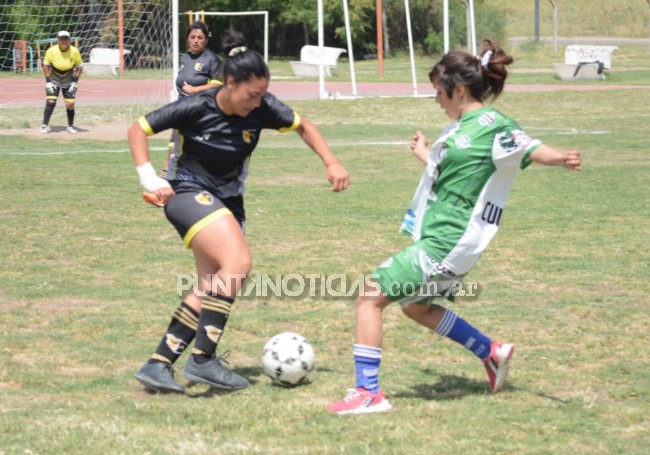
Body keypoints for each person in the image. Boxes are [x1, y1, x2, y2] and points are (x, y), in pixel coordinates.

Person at [327, 39, 581, 414]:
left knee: (369, 298)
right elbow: (456, 177)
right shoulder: (462, 128)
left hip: (448, 240)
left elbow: (528, 147)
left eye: (438, 92)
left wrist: (559, 157)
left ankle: (368, 393)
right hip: (443, 238)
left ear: (458, 90)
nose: (436, 100)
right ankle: (490, 353)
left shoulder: (493, 124)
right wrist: (426, 156)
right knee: (416, 307)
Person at [129, 30, 350, 394]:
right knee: (239, 262)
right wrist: (149, 177)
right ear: (230, 83)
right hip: (187, 194)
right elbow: (138, 129)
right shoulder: (196, 107)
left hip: (229, 201)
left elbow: (304, 125)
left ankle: (158, 365)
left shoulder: (262, 107)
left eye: (263, 95)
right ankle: (203, 359)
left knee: (212, 284)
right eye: (252, 95)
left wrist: (331, 162)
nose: (259, 102)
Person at [143, 21, 223, 208]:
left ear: (206, 40)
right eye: (192, 37)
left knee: (186, 153)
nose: (196, 41)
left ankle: (171, 193)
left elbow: (219, 84)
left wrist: (196, 89)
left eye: (200, 38)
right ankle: (165, 193)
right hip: (182, 113)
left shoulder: (211, 59)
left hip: (202, 113)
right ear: (187, 38)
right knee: (174, 152)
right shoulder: (183, 58)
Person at [40, 30, 83, 134]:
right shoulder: (51, 51)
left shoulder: (74, 51)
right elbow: (45, 65)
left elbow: (80, 67)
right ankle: (45, 125)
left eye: (66, 39)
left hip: (69, 80)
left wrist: (75, 82)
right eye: (61, 39)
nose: (64, 41)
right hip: (54, 79)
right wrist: (48, 82)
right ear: (58, 40)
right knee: (51, 101)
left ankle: (70, 126)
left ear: (69, 40)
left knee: (70, 104)